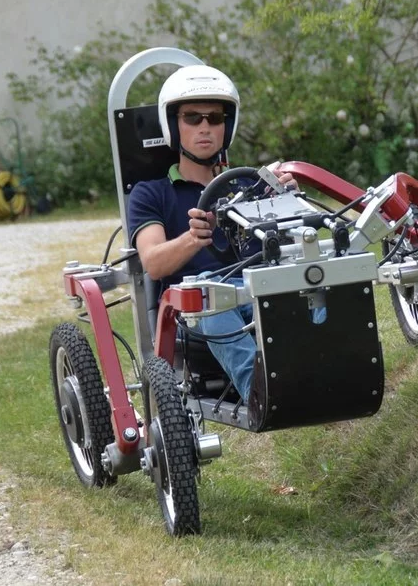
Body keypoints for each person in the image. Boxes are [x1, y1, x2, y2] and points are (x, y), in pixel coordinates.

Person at [126, 64, 296, 404]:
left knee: (315, 276)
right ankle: (262, 394)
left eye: (214, 118)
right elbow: (154, 264)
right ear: (174, 124)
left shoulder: (249, 185)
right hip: (195, 306)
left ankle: (328, 375)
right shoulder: (150, 193)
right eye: (192, 118)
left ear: (226, 126)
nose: (205, 127)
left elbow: (287, 247)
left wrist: (287, 201)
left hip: (256, 288)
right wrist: (194, 237)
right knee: (208, 297)